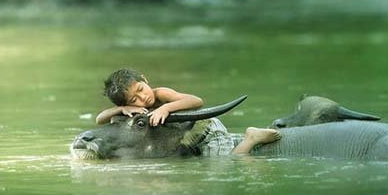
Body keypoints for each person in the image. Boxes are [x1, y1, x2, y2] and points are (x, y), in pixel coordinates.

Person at [96, 68, 280, 155]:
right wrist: (120, 109)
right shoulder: (131, 109)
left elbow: (196, 101)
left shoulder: (161, 93)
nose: (142, 98)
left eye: (140, 89)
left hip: (204, 130)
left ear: (144, 79)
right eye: (133, 99)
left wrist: (165, 108)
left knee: (227, 162)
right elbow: (100, 119)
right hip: (184, 136)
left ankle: (251, 138)